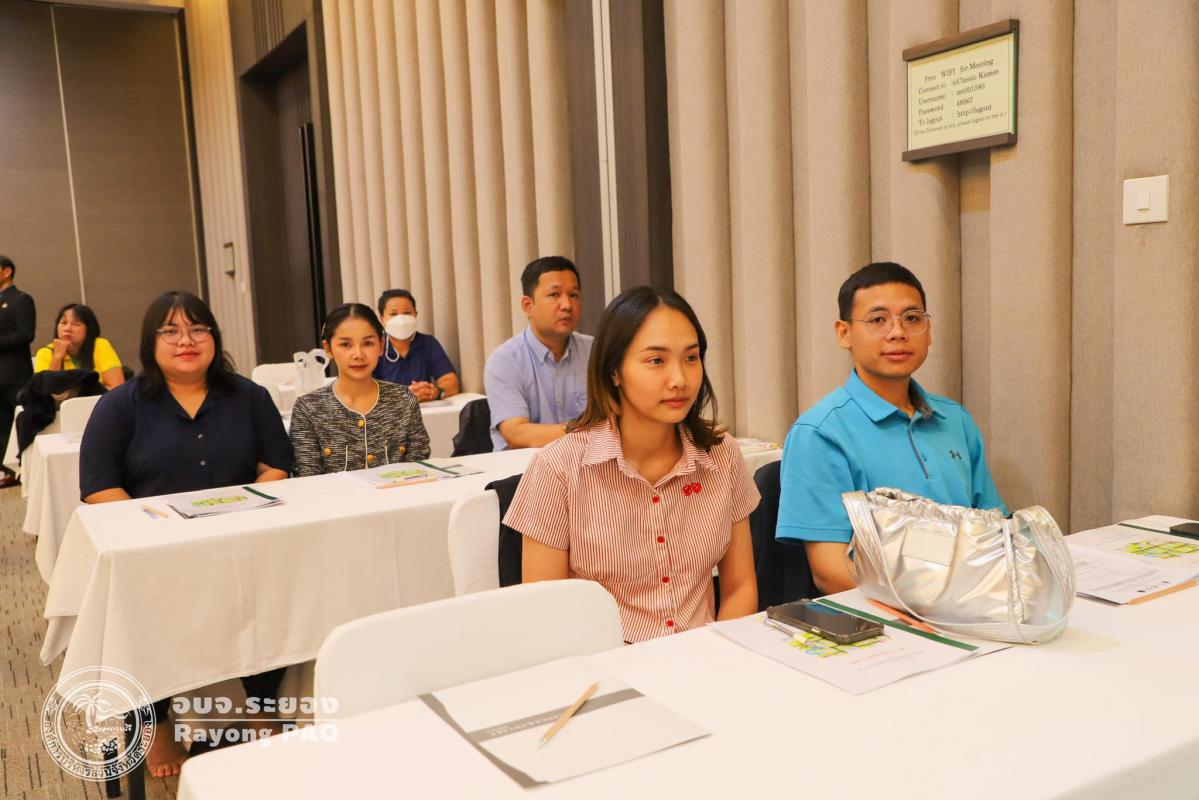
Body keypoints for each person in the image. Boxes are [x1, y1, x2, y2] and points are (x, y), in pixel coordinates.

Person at [79, 290, 293, 777]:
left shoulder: (249, 397)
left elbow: (277, 466)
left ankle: (263, 708)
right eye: (171, 331)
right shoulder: (120, 405)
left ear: (213, 337)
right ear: (150, 341)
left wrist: (248, 508)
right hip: (152, 551)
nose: (186, 341)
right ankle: (154, 722)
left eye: (198, 329)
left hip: (240, 541)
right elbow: (97, 486)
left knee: (273, 590)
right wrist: (160, 526)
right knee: (136, 613)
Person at [506, 286, 759, 642]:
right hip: (606, 664)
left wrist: (714, 655)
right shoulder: (558, 468)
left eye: (691, 358)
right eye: (656, 361)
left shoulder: (722, 455)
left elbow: (740, 587)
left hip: (705, 655)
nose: (680, 379)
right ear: (614, 371)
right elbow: (547, 618)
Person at [776, 262, 1006, 596]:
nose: (898, 332)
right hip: (889, 614)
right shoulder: (819, 433)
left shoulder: (955, 419)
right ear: (844, 333)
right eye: (878, 320)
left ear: (928, 330)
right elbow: (830, 572)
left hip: (973, 599)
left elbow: (994, 527)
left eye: (912, 318)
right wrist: (934, 603)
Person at [290, 303, 430, 475]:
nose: (358, 354)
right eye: (345, 345)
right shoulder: (308, 408)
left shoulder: (403, 399)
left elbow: (418, 463)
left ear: (381, 345)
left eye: (368, 343)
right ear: (328, 349)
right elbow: (308, 476)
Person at [483, 256, 592, 451]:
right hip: (524, 466)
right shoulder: (505, 360)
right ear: (528, 306)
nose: (567, 305)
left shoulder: (594, 351)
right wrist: (583, 432)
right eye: (554, 295)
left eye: (574, 295)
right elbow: (516, 434)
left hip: (586, 461)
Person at [373, 288, 460, 401]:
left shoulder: (428, 343)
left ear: (415, 314)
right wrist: (402, 397)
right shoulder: (374, 347)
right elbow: (362, 390)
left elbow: (451, 382)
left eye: (407, 313)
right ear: (382, 319)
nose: (401, 319)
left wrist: (434, 392)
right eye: (393, 314)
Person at [0, 255, 35, 488]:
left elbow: (25, 334)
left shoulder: (21, 299)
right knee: (1, 425)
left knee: (22, 421)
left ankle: (28, 469)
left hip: (16, 375)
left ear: (6, 271)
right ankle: (7, 471)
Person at [34, 303, 125, 389]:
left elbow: (117, 388)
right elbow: (45, 393)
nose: (67, 329)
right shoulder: (45, 353)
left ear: (89, 328)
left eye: (76, 324)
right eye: (64, 323)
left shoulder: (100, 345)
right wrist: (57, 358)